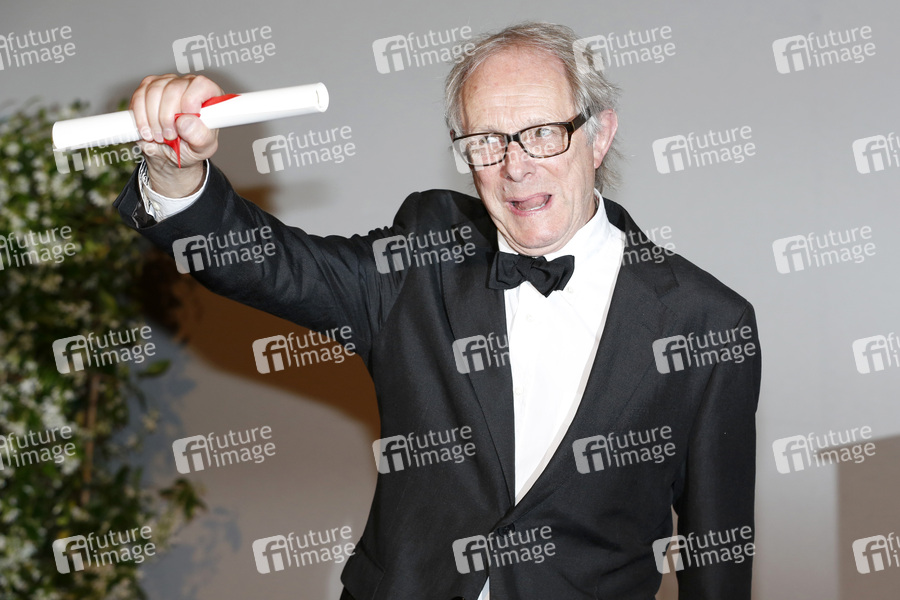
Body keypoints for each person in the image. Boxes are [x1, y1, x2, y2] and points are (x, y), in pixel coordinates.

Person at [116, 21, 761, 600]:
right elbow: (274, 266)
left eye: (543, 134)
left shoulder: (706, 322)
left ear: (599, 135)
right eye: (486, 142)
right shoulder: (423, 256)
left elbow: (718, 555)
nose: (515, 167)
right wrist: (177, 178)